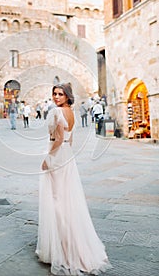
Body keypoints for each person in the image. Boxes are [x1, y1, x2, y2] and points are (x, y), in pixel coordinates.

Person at [36, 83, 111, 275]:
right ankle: (70, 244)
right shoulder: (72, 112)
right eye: (54, 93)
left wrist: (48, 158)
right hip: (67, 156)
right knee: (67, 198)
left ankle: (63, 248)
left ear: (67, 96)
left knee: (57, 200)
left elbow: (59, 139)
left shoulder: (56, 112)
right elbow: (70, 140)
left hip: (57, 153)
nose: (56, 97)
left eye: (60, 94)